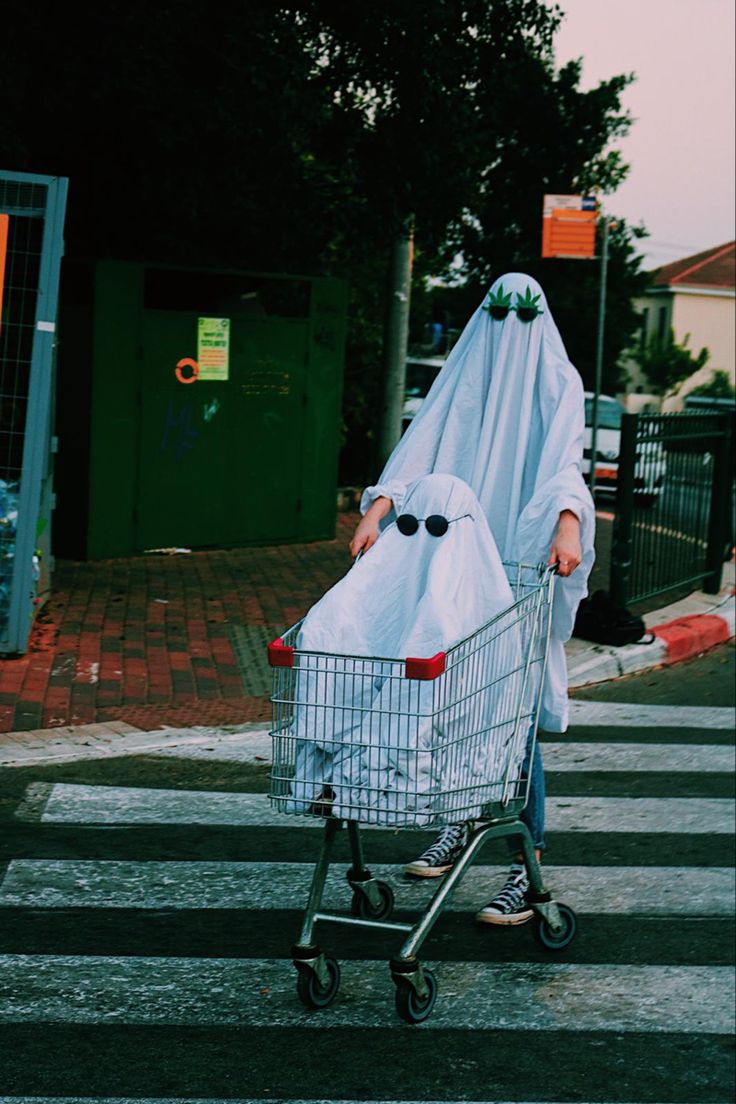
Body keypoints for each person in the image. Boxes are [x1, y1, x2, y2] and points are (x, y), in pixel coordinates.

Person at [350, 272, 595, 925]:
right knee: (458, 708)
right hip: (454, 571)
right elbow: (418, 448)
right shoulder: (460, 385)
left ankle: (525, 865)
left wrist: (567, 521)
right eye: (500, 315)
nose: (509, 334)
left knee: (511, 721)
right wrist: (378, 510)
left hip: (516, 570)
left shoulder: (559, 386)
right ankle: (457, 827)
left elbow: (566, 462)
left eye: (524, 317)